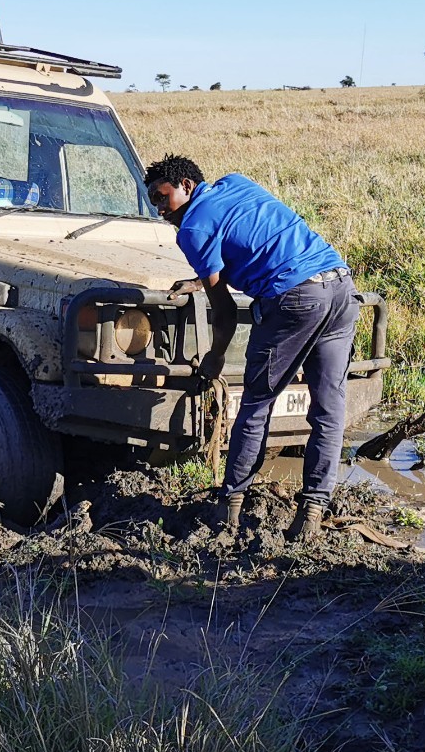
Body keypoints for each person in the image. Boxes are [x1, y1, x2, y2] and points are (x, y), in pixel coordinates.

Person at [144, 154, 359, 543]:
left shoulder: (191, 228)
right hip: (341, 288)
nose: (160, 210)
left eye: (163, 197)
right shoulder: (237, 182)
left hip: (294, 300)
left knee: (257, 405)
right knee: (329, 407)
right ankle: (312, 511)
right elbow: (256, 238)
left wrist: (215, 357)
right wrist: (201, 281)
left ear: (186, 187)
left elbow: (224, 312)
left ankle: (229, 509)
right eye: (154, 202)